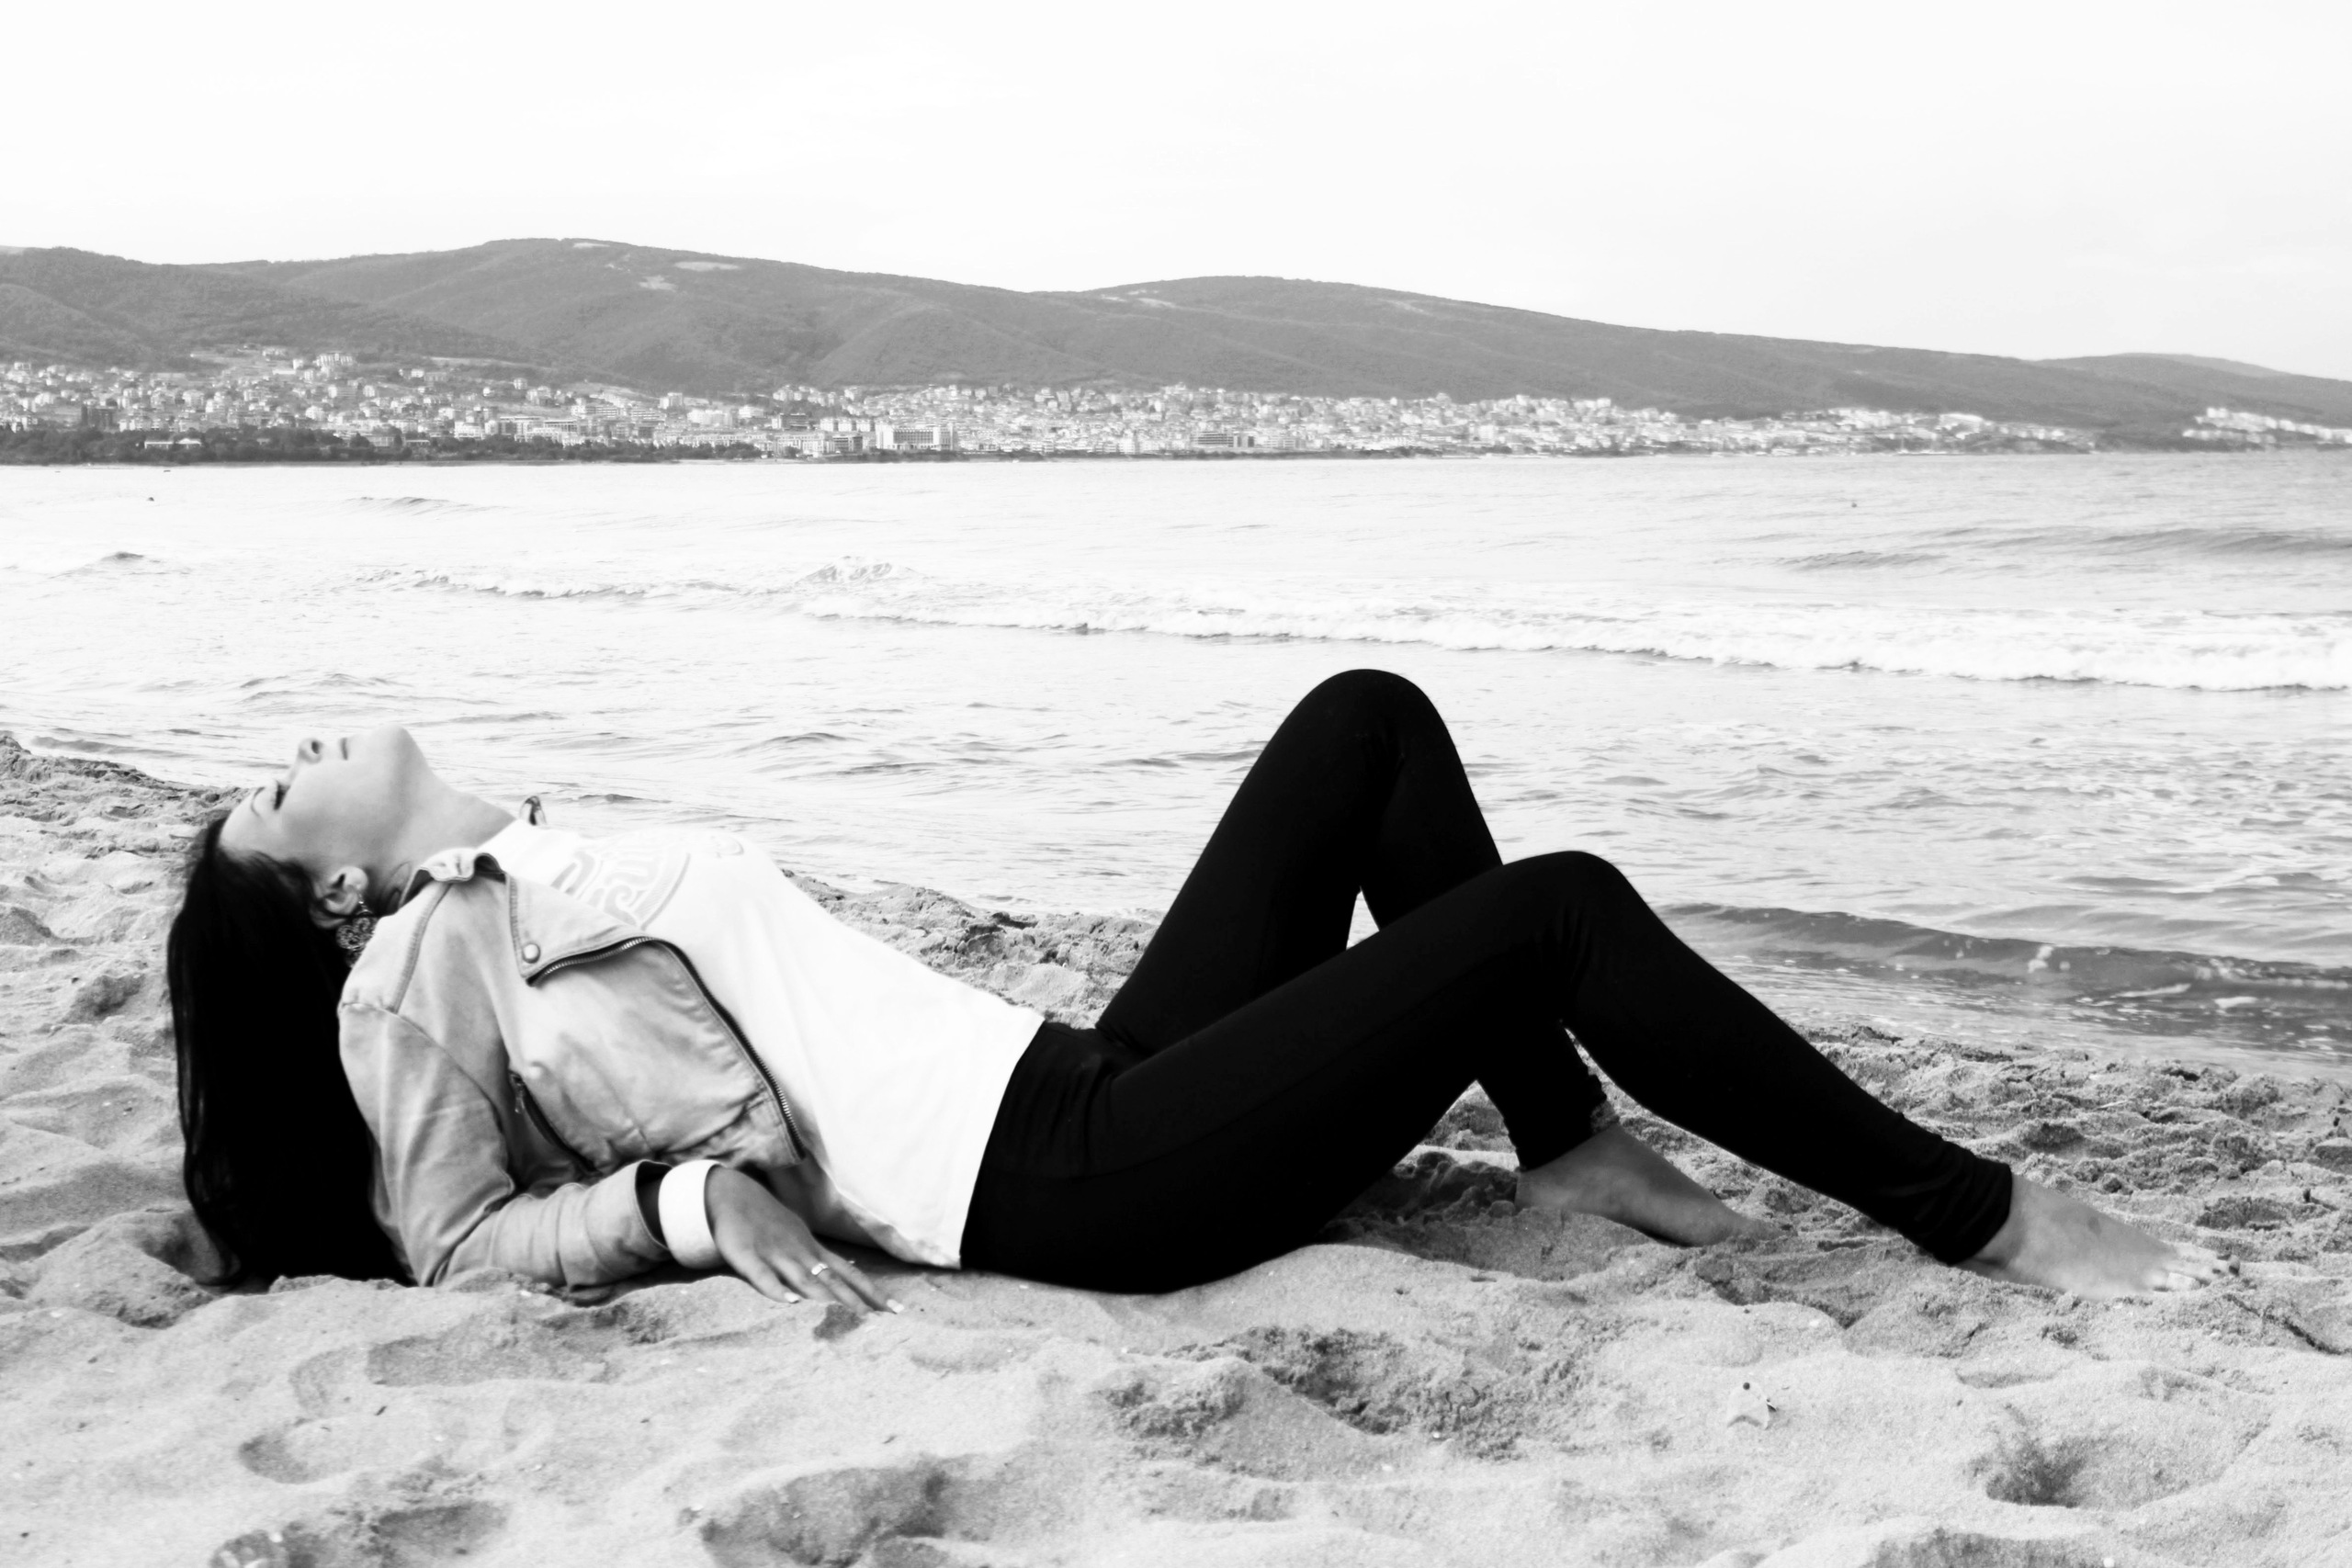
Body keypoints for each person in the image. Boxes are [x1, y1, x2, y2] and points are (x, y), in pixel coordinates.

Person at [167, 670, 2222, 1312]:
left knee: (1365, 722)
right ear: (334, 888)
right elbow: (450, 1240)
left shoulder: (524, 866)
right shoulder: (411, 972)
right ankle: (1987, 1217)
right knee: (1558, 911)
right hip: (1065, 1186)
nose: (296, 746)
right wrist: (682, 1204)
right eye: (272, 788)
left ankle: (1567, 1139)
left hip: (1070, 1076)